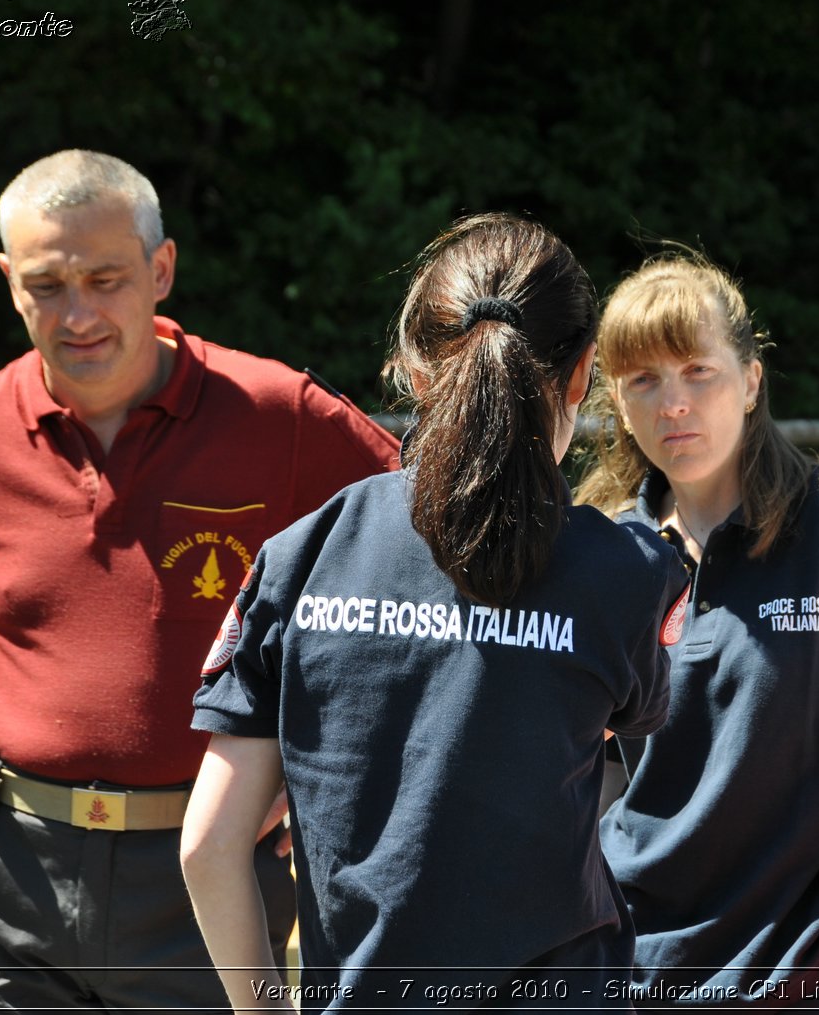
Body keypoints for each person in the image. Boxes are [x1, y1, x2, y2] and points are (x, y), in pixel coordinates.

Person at [0, 150, 400, 1011]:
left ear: (161, 268)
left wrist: (326, 756)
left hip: (212, 874)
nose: (80, 314)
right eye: (48, 284)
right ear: (8, 281)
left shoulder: (278, 416)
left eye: (106, 278)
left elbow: (424, 546)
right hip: (13, 869)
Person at [181, 213, 689, 1010]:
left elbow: (209, 844)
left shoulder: (306, 554)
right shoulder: (629, 572)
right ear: (583, 373)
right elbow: (613, 772)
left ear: (414, 373)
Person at [578, 254, 819, 1007]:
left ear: (750, 380)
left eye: (697, 370)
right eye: (644, 379)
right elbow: (598, 773)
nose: (673, 402)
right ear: (616, 398)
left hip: (811, 968)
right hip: (637, 970)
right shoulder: (608, 552)